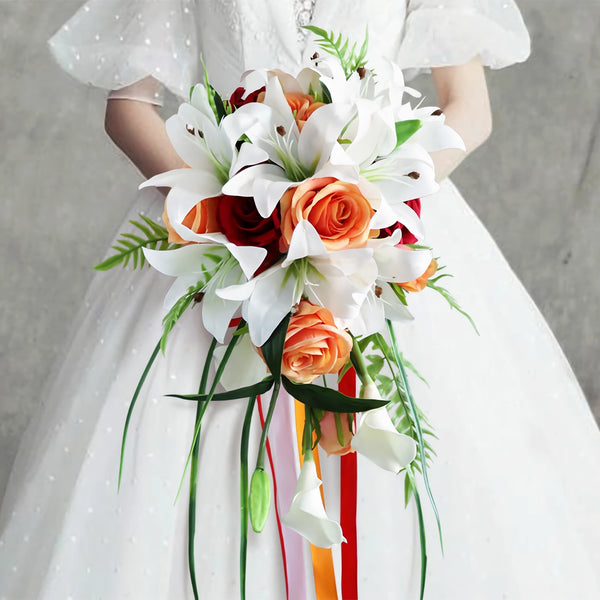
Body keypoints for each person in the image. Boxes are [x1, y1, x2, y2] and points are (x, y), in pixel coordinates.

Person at [1, 1, 599, 598]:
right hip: (221, 226)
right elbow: (128, 107)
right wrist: (224, 215)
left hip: (380, 225)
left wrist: (373, 207)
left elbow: (471, 110)